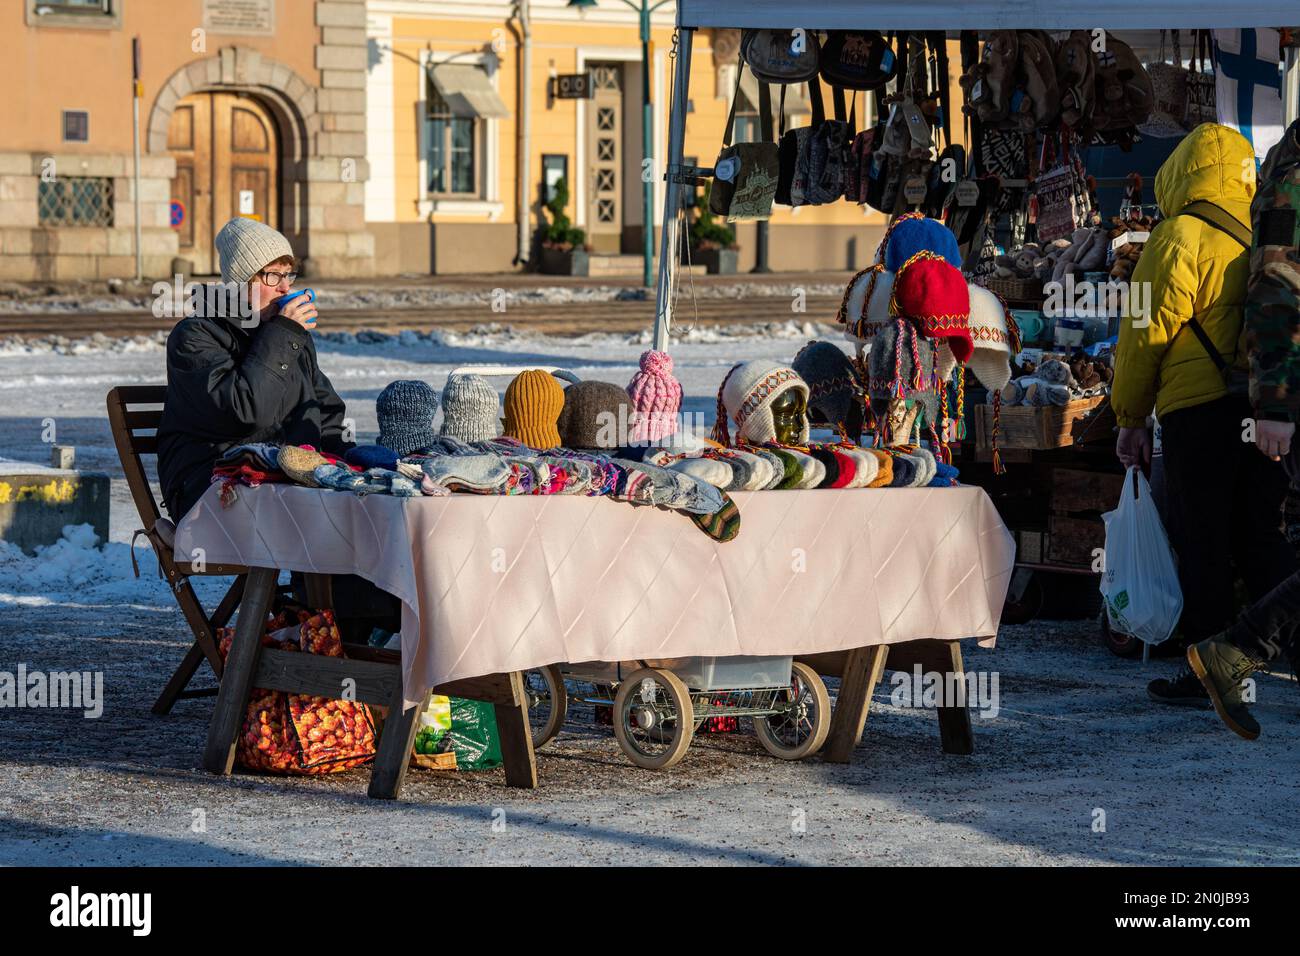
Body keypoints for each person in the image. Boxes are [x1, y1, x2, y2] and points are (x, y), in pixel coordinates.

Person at [1111, 123, 1297, 706]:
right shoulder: (1263, 224)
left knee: (1204, 540)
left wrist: (1130, 416)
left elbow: (1144, 333)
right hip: (1265, 402)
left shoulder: (1177, 235)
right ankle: (1281, 659)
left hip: (1198, 408)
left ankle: (1211, 672)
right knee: (1264, 536)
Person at [157, 217, 400, 641]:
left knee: (366, 508)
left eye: (289, 274)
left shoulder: (285, 337)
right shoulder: (194, 338)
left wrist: (339, 467)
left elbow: (325, 411)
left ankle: (356, 642)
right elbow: (244, 411)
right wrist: (285, 333)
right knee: (325, 520)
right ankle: (326, 645)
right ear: (239, 281)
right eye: (272, 275)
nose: (285, 287)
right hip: (211, 491)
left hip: (280, 485)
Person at [1188, 117, 1300, 740]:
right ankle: (1233, 652)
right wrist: (1276, 404)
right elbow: (1276, 287)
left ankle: (1234, 652)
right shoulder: (1292, 180)